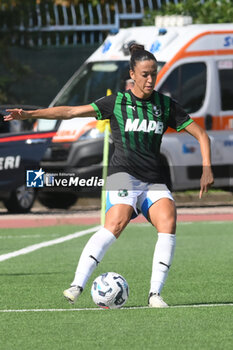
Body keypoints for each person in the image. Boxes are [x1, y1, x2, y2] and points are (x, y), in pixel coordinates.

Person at [4, 44, 214, 308]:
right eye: (145, 74)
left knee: (168, 221)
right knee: (117, 222)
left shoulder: (165, 105)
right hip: (121, 175)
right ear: (132, 74)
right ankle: (77, 285)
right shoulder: (115, 103)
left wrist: (207, 166)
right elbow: (70, 112)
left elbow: (202, 135)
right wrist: (30, 114)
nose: (150, 80)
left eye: (154, 74)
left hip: (152, 179)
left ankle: (155, 295)